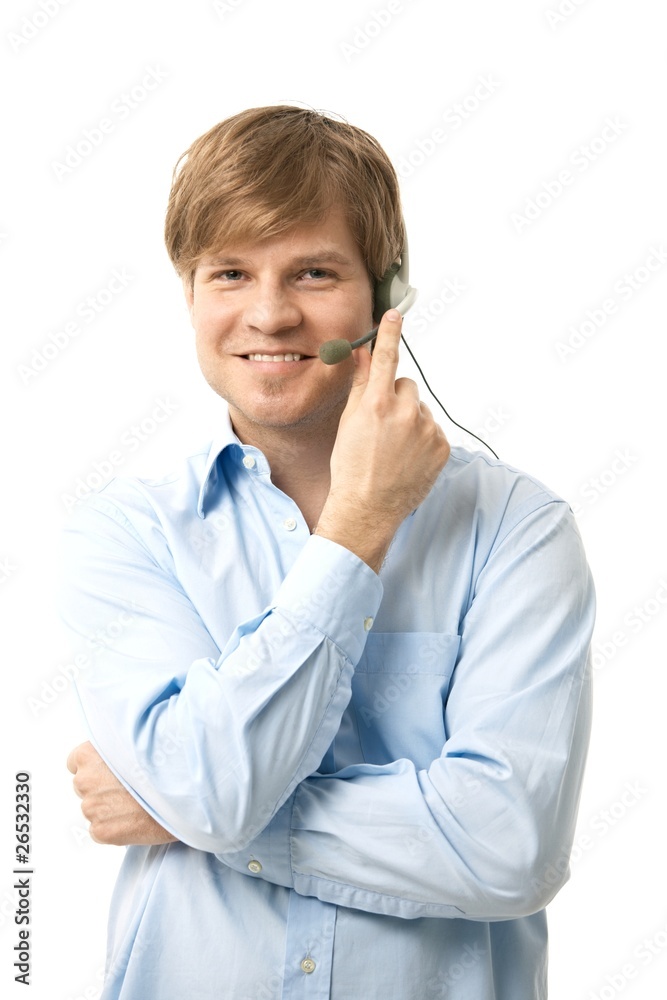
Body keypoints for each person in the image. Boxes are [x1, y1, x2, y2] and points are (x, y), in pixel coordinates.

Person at [64, 105, 595, 1000]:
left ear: (386, 298)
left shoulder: (518, 528)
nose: (267, 315)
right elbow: (214, 796)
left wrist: (184, 805)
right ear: (190, 294)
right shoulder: (126, 534)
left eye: (312, 272)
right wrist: (358, 528)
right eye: (229, 272)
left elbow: (507, 850)